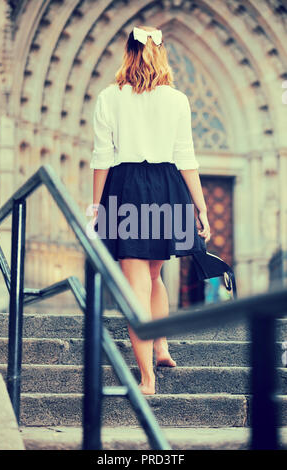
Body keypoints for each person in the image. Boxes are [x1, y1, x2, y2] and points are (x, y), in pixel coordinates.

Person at [90, 25, 211, 395]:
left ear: (128, 53)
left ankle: (147, 378)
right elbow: (185, 157)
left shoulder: (108, 98)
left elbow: (102, 158)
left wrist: (95, 207)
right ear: (160, 54)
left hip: (125, 190)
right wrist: (201, 208)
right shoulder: (177, 99)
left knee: (136, 288)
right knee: (154, 277)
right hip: (167, 187)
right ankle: (161, 346)